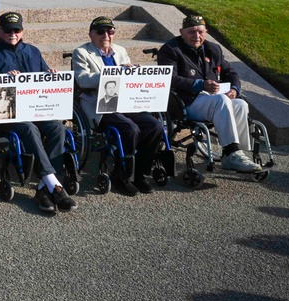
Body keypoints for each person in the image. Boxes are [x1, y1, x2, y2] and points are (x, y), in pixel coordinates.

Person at [0, 12, 78, 214]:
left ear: (22, 31)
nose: (12, 33)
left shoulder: (33, 51)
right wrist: (4, 81)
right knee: (29, 129)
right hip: (6, 114)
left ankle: (44, 188)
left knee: (58, 128)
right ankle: (55, 186)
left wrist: (51, 76)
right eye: (7, 30)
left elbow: (44, 78)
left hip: (36, 109)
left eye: (17, 30)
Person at [72, 16, 165, 195]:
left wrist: (132, 72)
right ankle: (120, 176)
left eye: (110, 31)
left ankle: (140, 174)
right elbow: (82, 80)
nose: (106, 35)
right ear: (91, 34)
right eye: (100, 32)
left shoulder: (120, 50)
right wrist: (111, 75)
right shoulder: (82, 52)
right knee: (130, 129)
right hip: (99, 104)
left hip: (124, 101)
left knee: (155, 126)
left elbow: (127, 78)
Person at [157, 16, 261, 173]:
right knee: (221, 100)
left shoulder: (213, 49)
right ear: (181, 32)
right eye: (191, 32)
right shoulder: (171, 49)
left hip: (214, 98)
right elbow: (169, 78)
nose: (196, 36)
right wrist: (200, 84)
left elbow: (230, 72)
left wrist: (234, 89)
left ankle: (233, 152)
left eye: (200, 32)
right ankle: (233, 153)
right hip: (187, 102)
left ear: (206, 32)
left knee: (240, 104)